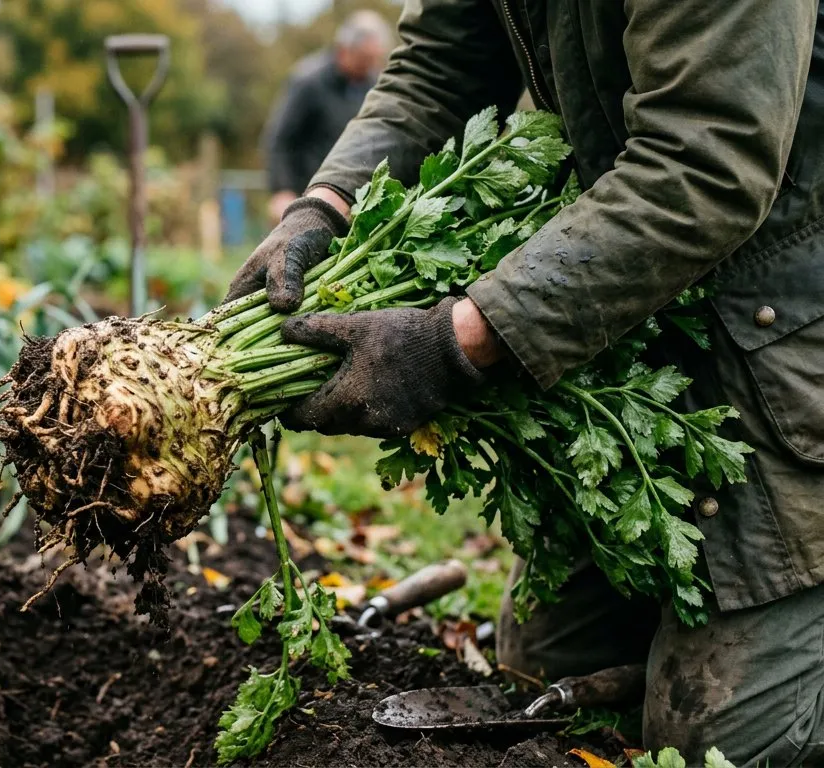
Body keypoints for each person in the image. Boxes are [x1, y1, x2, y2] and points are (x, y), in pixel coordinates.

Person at [226, 0, 824, 763]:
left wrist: (455, 339)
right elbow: (439, 63)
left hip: (790, 328)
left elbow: (704, 164)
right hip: (636, 310)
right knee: (540, 671)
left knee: (728, 746)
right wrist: (327, 203)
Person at [261, 11, 392, 225]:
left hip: (353, 197)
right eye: (363, 60)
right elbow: (280, 139)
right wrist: (282, 190)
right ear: (344, 50)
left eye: (373, 60)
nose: (369, 67)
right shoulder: (308, 82)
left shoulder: (374, 84)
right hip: (308, 192)